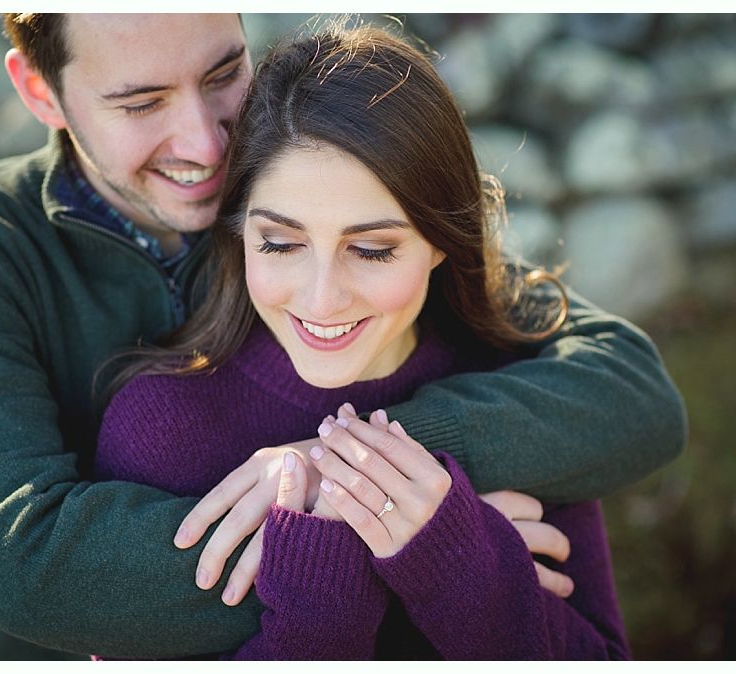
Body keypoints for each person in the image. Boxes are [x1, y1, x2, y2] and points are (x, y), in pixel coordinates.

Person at [0, 13, 685, 660]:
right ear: (41, 91)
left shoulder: (302, 166)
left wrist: (347, 461)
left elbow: (626, 387)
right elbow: (28, 569)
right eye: (140, 104)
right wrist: (419, 543)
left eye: (223, 73)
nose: (205, 145)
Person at [93, 23, 632, 660]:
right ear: (240, 235)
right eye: (281, 243)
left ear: (440, 241)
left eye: (372, 250)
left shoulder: (514, 387)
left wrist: (461, 562)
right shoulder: (162, 428)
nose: (322, 299)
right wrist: (323, 604)